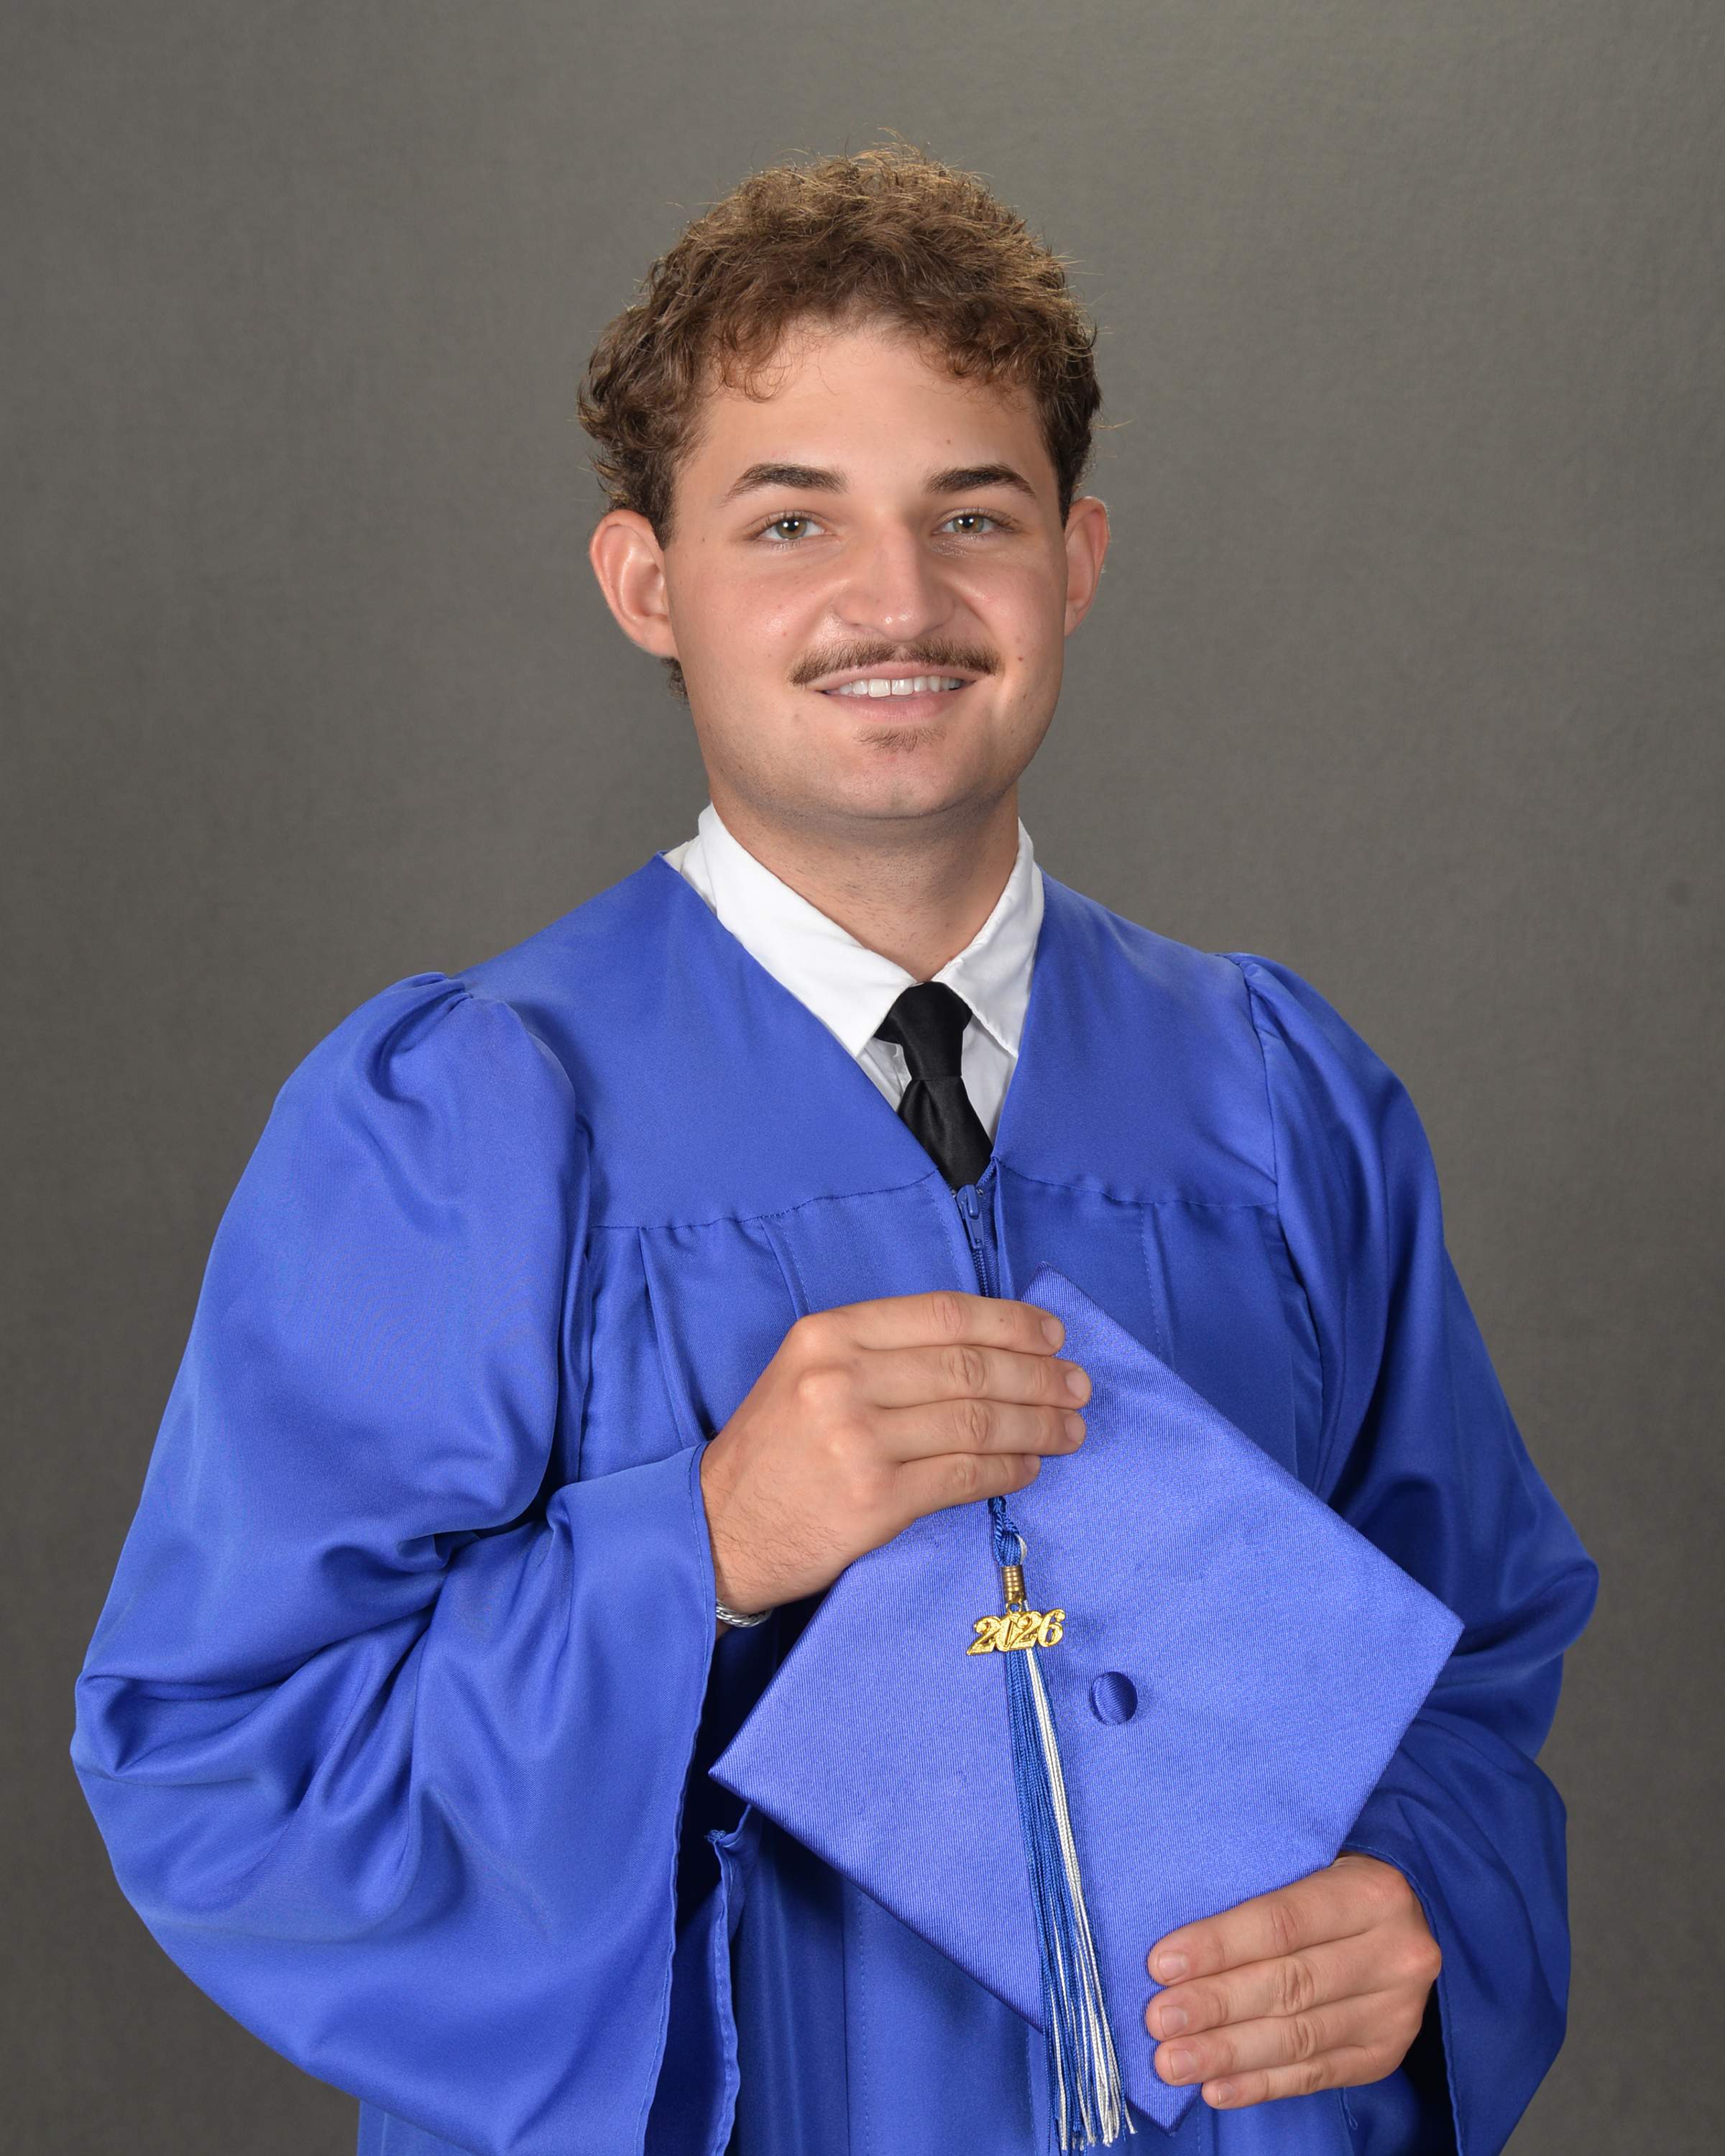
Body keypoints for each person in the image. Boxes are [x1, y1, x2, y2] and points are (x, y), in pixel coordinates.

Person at [73, 147, 1596, 2156]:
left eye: (975, 515)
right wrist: (698, 1550)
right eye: (791, 521)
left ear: (1076, 561)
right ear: (649, 583)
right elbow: (231, 1768)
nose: (898, 601)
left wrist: (1420, 1906)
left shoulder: (1275, 1096)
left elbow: (1469, 1668)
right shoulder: (468, 1124)